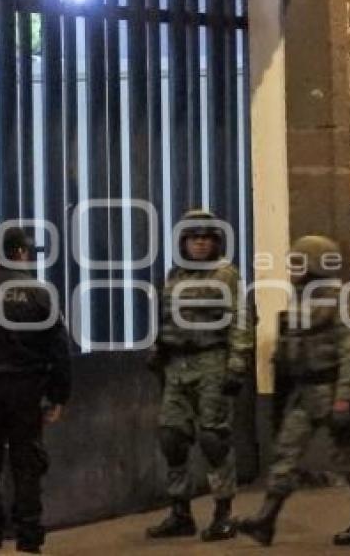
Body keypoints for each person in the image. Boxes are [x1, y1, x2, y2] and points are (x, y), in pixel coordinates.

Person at [237, 236, 350, 547]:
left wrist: (344, 398)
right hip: (305, 393)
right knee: (285, 455)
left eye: (299, 263)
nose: (293, 269)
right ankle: (266, 519)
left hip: (334, 390)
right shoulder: (300, 299)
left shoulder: (340, 299)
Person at [146, 209, 254, 542]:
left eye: (206, 238)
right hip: (177, 366)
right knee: (172, 438)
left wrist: (236, 365)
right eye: (194, 238)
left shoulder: (226, 275)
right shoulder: (175, 276)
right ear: (184, 242)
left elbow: (241, 319)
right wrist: (158, 349)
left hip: (212, 361)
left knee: (213, 439)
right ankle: (181, 513)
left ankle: (223, 514)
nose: (200, 244)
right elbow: (166, 319)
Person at [0, 225, 71, 553]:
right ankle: (28, 537)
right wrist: (59, 395)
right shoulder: (38, 293)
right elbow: (59, 348)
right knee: (26, 463)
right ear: (20, 252)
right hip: (26, 390)